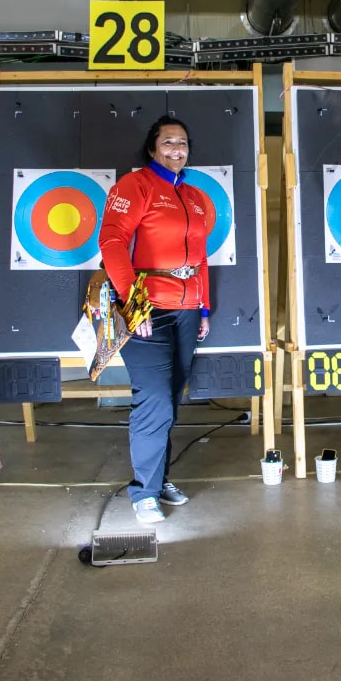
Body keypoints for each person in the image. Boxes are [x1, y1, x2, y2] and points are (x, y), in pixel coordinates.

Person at [99, 115, 210, 523]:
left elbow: (200, 257)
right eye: (167, 143)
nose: (176, 150)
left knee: (171, 397)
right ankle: (143, 491)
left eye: (182, 143)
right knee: (155, 398)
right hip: (147, 308)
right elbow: (111, 241)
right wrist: (134, 302)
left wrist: (203, 306)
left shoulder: (196, 196)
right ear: (152, 148)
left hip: (185, 309)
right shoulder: (134, 186)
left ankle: (158, 478)